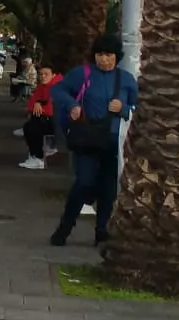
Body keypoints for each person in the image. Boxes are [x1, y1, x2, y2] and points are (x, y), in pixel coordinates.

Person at [49, 34, 139, 247]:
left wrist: (124, 108)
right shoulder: (82, 74)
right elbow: (58, 89)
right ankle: (65, 227)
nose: (104, 59)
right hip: (87, 139)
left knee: (108, 188)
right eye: (100, 55)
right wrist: (72, 105)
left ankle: (102, 230)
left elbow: (139, 109)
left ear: (116, 56)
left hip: (113, 142)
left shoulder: (126, 79)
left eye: (108, 55)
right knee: (84, 182)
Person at [17, 62, 60, 170]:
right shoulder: (43, 86)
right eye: (40, 74)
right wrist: (37, 103)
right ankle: (37, 155)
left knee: (31, 128)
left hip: (58, 123)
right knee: (30, 126)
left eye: (46, 74)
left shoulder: (58, 87)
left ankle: (38, 158)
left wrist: (39, 105)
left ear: (53, 75)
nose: (43, 76)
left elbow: (52, 109)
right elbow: (31, 104)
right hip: (48, 120)